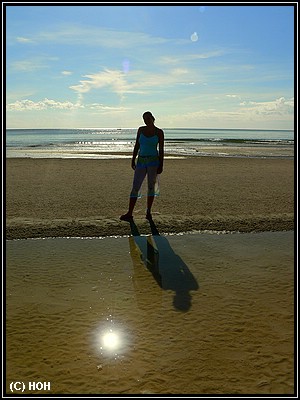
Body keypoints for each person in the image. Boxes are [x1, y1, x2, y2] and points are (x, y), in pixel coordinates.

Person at [120, 111, 164, 222]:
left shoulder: (159, 132)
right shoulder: (141, 130)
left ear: (153, 118)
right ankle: (130, 213)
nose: (146, 120)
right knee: (135, 186)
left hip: (153, 162)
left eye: (148, 118)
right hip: (141, 161)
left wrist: (161, 165)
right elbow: (137, 145)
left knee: (150, 187)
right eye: (144, 119)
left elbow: (162, 150)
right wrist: (133, 159)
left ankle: (148, 212)